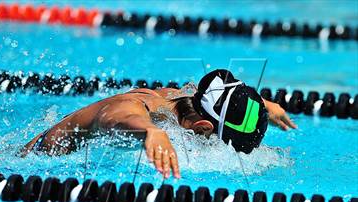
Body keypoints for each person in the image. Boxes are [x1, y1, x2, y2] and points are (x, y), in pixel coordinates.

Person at [21, 69, 296, 179]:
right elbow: (113, 116)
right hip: (26, 168)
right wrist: (150, 132)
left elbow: (216, 86)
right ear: (203, 128)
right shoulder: (142, 109)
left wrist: (260, 105)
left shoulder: (184, 99)